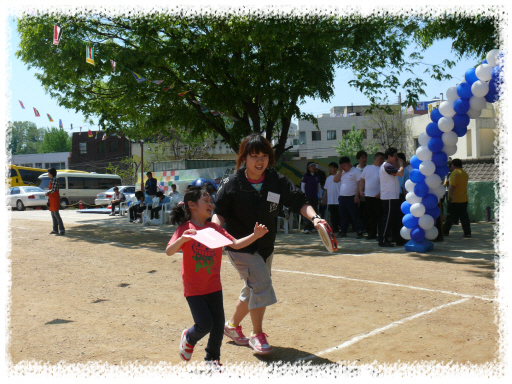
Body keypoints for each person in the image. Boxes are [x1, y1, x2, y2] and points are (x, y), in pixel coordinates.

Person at [212, 133, 326, 354]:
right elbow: (220, 213)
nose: (260, 161)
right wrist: (215, 230)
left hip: (266, 245)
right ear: (244, 157)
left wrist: (315, 218)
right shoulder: (232, 183)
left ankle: (232, 327)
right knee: (262, 284)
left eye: (264, 155)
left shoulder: (276, 180)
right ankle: (257, 335)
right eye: (254, 156)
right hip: (241, 246)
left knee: (252, 288)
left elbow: (299, 202)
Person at [166, 186, 269, 367]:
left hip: (214, 286)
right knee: (204, 325)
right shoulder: (185, 229)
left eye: (210, 201)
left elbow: (235, 244)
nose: (210, 204)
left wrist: (256, 235)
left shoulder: (214, 228)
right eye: (205, 200)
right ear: (192, 204)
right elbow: (169, 251)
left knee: (218, 326)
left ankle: (212, 360)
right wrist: (182, 239)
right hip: (194, 288)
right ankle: (189, 337)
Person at [379, 147, 406, 247]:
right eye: (394, 156)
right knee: (388, 219)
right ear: (389, 156)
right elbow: (401, 173)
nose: (396, 158)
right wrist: (401, 164)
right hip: (389, 197)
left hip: (393, 196)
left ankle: (397, 239)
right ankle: (382, 239)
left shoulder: (388, 166)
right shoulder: (387, 166)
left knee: (394, 219)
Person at [333, 156, 363, 238]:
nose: (344, 167)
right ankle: (343, 231)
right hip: (342, 196)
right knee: (343, 215)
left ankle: (359, 231)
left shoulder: (356, 171)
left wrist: (357, 195)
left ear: (349, 163)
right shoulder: (342, 172)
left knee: (355, 215)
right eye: (342, 166)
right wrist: (340, 171)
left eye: (345, 165)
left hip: (352, 196)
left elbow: (359, 183)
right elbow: (335, 180)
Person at [443, 159, 472, 238]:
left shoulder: (454, 174)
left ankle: (445, 231)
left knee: (450, 216)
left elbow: (452, 186)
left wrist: (450, 195)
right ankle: (467, 233)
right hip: (464, 199)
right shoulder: (465, 174)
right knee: (464, 217)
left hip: (455, 199)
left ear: (453, 165)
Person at [359, 152, 385, 240]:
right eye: (380, 158)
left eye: (383, 159)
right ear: (375, 158)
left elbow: (385, 183)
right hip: (368, 196)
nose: (382, 160)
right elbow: (362, 180)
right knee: (370, 216)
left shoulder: (383, 169)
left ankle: (380, 234)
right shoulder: (367, 168)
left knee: (379, 216)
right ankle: (372, 233)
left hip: (378, 196)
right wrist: (360, 190)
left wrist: (380, 193)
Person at [301, 162, 322, 234]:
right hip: (308, 197)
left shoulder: (317, 176)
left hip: (315, 197)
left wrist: (320, 196)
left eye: (314, 166)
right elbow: (302, 186)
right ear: (308, 168)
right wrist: (304, 195)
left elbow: (319, 187)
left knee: (315, 211)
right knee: (307, 212)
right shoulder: (305, 176)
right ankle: (307, 227)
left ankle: (314, 227)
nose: (313, 167)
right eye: (312, 166)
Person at [322, 162, 341, 233]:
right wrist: (324, 199)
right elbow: (326, 189)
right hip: (330, 200)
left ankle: (341, 228)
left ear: (336, 168)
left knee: (340, 215)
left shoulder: (340, 177)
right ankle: (335, 229)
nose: (330, 169)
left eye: (332, 167)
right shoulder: (328, 178)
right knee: (333, 216)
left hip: (338, 200)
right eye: (330, 167)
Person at [45, 167, 65, 235]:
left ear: (51, 173)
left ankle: (62, 229)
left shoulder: (55, 180)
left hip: (55, 199)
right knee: (53, 214)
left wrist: (47, 192)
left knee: (56, 214)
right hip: (51, 199)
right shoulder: (51, 180)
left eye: (48, 172)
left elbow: (53, 190)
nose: (48, 173)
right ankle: (55, 229)